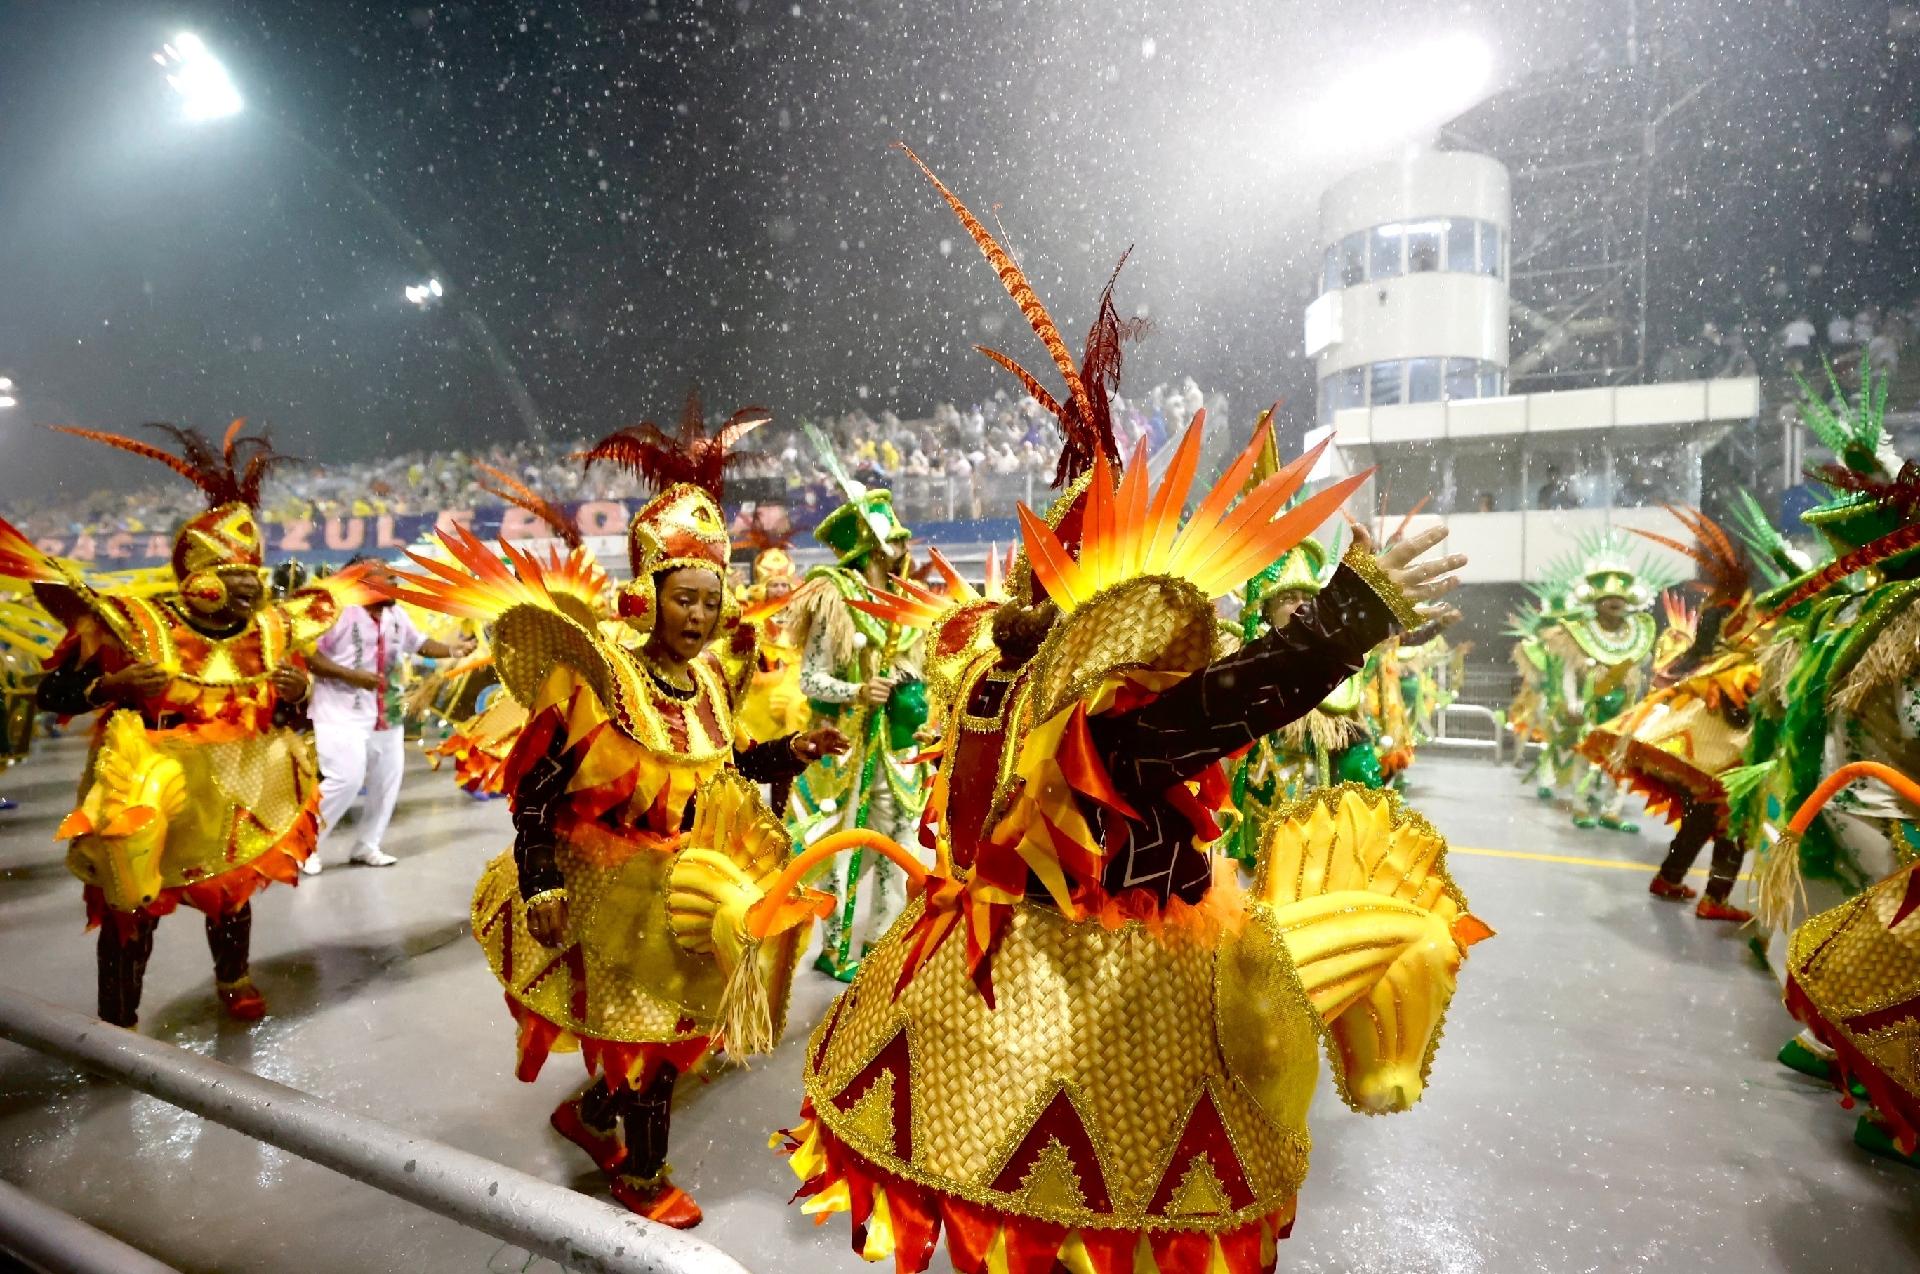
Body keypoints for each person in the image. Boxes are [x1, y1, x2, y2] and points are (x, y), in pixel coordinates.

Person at [776, 150, 1486, 1273]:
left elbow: (1205, 712)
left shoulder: (996, 668)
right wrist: (1346, 618)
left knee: (1009, 1205)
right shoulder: (1087, 718)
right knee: (1087, 1216)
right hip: (1079, 991)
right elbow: (1218, 712)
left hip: (984, 960)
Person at [387, 401, 848, 1225]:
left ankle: (592, 1118)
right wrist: (537, 882)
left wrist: (793, 754)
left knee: (672, 1033)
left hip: (685, 884)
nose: (699, 617)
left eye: (711, 601)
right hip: (608, 888)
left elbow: (726, 764)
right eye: (685, 599)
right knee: (647, 1039)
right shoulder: (599, 680)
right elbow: (535, 787)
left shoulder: (709, 681)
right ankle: (640, 1177)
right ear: (649, 594)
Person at [0, 422, 368, 1027]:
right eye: (238, 579)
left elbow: (283, 709)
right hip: (150, 790)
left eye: (255, 579)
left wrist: (298, 692)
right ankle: (117, 1021)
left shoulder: (274, 631)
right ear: (200, 578)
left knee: (229, 897)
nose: (251, 590)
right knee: (128, 905)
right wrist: (109, 687)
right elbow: (52, 692)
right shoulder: (134, 626)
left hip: (238, 788)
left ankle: (234, 981)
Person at [784, 427, 930, 981]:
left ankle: (884, 948)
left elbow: (922, 673)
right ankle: (837, 950)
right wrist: (857, 692)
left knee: (901, 850)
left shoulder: (909, 604)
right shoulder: (837, 601)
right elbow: (811, 680)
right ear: (873, 547)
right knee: (845, 851)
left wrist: (919, 708)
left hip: (897, 753)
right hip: (847, 755)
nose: (905, 552)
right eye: (896, 545)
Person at [1578, 508, 1767, 921]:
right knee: (1733, 823)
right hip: (1724, 762)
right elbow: (1738, 716)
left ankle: (1670, 877)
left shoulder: (1709, 658)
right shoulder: (1739, 666)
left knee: (1703, 818)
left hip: (1699, 758)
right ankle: (1715, 898)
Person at [302, 557, 474, 873]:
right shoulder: (335, 613)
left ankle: (367, 845)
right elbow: (309, 656)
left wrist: (453, 650)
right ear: (360, 582)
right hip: (340, 712)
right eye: (384, 578)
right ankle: (303, 847)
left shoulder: (396, 613)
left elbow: (419, 643)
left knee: (386, 784)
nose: (393, 584)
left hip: (387, 713)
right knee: (345, 780)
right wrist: (351, 676)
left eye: (392, 578)